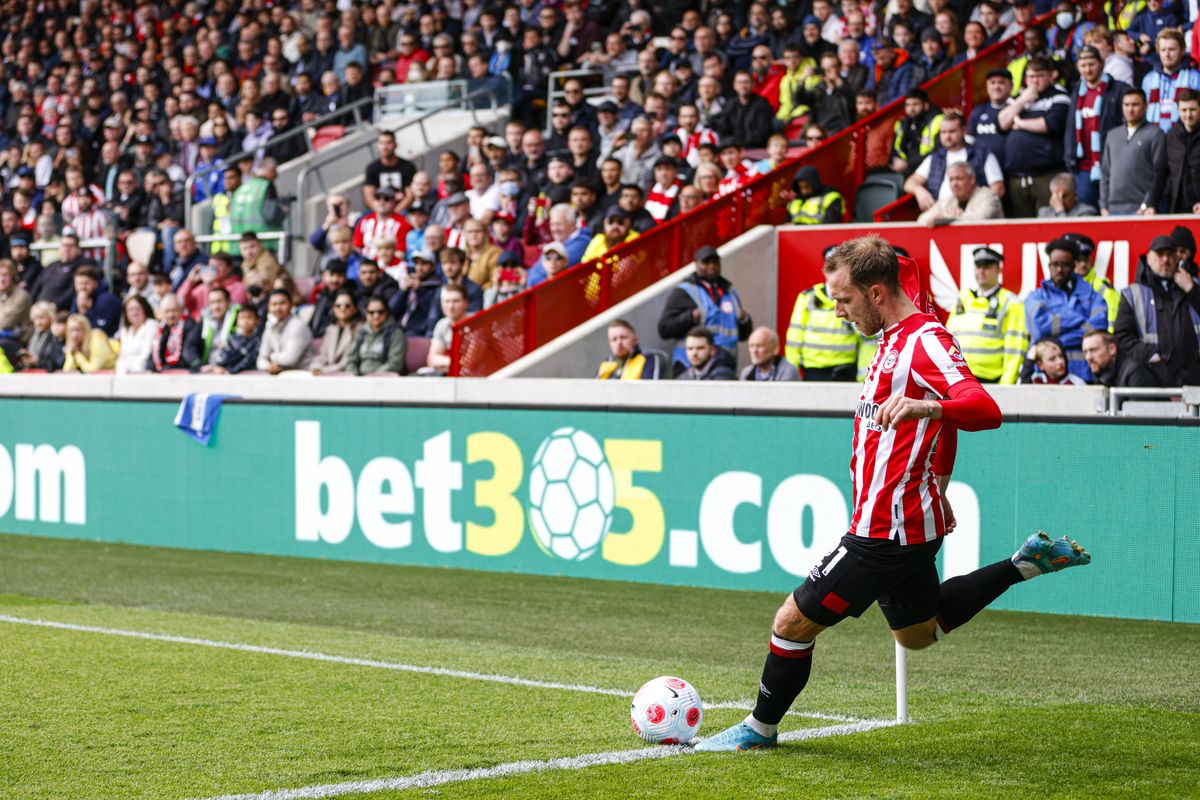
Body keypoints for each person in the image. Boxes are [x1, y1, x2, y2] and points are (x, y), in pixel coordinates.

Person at [695, 235, 1090, 753]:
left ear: (877, 293)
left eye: (844, 299)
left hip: (884, 531)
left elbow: (982, 409)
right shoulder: (888, 340)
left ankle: (759, 730)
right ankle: (1023, 565)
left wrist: (927, 409)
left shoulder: (925, 340)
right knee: (918, 634)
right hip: (910, 524)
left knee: (791, 623)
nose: (837, 311)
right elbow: (937, 431)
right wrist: (940, 485)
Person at [1114, 234, 1200, 387]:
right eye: (1160, 254)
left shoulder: (1193, 287)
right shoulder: (1133, 294)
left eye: (1170, 255)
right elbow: (1122, 335)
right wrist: (1151, 357)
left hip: (1194, 377)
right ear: (1148, 258)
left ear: (1177, 259)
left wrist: (1192, 290)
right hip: (1152, 377)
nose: (1165, 260)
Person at [1024, 237, 1110, 383]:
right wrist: (1081, 320)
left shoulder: (1093, 296)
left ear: (1073, 265)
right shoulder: (1035, 297)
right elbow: (1039, 330)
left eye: (1064, 265)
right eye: (1055, 264)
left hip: (1085, 375)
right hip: (1046, 379)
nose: (1059, 269)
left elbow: (1097, 331)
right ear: (1049, 266)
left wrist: (1054, 335)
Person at [658, 245, 752, 374]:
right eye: (706, 262)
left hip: (725, 366)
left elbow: (742, 334)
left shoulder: (730, 293)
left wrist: (744, 320)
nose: (712, 266)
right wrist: (690, 317)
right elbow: (664, 329)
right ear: (696, 264)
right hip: (689, 368)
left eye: (715, 262)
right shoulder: (683, 292)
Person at [999, 57, 1071, 218]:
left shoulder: (1059, 96)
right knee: (1020, 226)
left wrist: (1019, 122)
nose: (1034, 81)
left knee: (1048, 220)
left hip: (1045, 174)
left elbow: (1049, 125)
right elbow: (1002, 123)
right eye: (1031, 77)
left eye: (1039, 76)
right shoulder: (1018, 97)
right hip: (1017, 176)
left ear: (1051, 75)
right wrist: (1023, 100)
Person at [945, 247, 1028, 384]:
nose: (982, 271)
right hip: (957, 379)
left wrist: (1006, 386)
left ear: (998, 270)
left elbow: (1015, 350)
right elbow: (948, 339)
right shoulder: (963, 298)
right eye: (978, 266)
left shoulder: (1011, 302)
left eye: (987, 267)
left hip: (990, 382)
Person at [1063, 46, 1129, 209]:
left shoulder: (1118, 89)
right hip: (1083, 168)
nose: (1088, 69)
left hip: (1112, 166)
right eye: (1083, 65)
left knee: (1113, 213)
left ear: (1101, 63)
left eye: (1091, 64)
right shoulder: (1077, 91)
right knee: (1087, 215)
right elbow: (1070, 128)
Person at [1100, 89, 1166, 216]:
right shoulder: (1112, 135)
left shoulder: (1155, 134)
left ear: (1145, 106)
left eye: (1135, 104)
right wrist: (1103, 206)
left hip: (1141, 209)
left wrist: (1147, 204)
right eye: (1126, 105)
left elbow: (1160, 173)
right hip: (1112, 209)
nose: (1130, 109)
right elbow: (1105, 172)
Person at [1141, 29, 1200, 133]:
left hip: (1185, 139)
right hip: (1153, 138)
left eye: (1172, 49)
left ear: (1182, 50)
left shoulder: (1195, 78)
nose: (1167, 54)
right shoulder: (1148, 80)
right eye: (1163, 50)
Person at [916, 162, 1004, 227]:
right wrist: (939, 216)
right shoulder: (948, 200)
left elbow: (979, 219)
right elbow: (921, 220)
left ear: (972, 180)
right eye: (951, 180)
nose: (954, 184)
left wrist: (948, 217)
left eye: (959, 179)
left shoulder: (988, 196)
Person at [346, 296, 407, 376]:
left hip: (384, 379)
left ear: (386, 312)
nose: (376, 316)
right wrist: (355, 376)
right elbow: (351, 360)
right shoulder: (361, 332)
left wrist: (373, 376)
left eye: (380, 312)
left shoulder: (396, 333)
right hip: (360, 380)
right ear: (366, 313)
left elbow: (395, 363)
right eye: (371, 312)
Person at [257, 289, 313, 374]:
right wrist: (268, 366)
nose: (278, 308)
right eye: (274, 304)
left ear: (291, 305)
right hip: (280, 378)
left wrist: (270, 357)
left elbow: (289, 360)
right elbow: (260, 360)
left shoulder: (298, 325)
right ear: (268, 307)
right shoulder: (270, 326)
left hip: (302, 377)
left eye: (282, 303)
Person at [1163, 89, 1200, 215]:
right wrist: (1151, 202)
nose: (1188, 115)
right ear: (1178, 110)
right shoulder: (1171, 136)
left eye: (1193, 110)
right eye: (1184, 110)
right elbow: (1162, 172)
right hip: (1177, 208)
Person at [890, 90, 943, 177]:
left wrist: (908, 163)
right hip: (903, 166)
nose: (911, 109)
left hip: (926, 166)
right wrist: (896, 159)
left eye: (915, 104)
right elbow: (894, 148)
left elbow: (937, 150)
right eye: (908, 105)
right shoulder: (902, 123)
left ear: (925, 105)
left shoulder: (938, 120)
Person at [310, 290, 362, 374]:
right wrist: (315, 367)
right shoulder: (331, 329)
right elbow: (323, 355)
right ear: (333, 309)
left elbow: (348, 361)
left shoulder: (360, 330)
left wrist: (323, 371)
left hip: (347, 375)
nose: (342, 308)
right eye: (338, 305)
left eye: (347, 306)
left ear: (355, 309)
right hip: (327, 374)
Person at [1083, 329, 1158, 387]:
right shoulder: (1102, 374)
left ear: (1112, 349)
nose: (1088, 357)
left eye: (1094, 350)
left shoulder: (1135, 372)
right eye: (1085, 352)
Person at [596, 319, 666, 380]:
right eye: (614, 339)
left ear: (635, 340)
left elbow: (649, 389)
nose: (619, 342)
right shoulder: (606, 363)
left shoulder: (648, 359)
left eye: (623, 337)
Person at [363, 130, 417, 208]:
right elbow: (368, 196)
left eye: (388, 143)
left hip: (403, 210)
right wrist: (381, 211)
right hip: (379, 210)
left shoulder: (407, 167)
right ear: (377, 145)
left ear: (395, 145)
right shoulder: (372, 168)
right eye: (382, 143)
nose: (385, 147)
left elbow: (410, 195)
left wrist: (395, 213)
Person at [423, 284, 469, 375]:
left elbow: (469, 363)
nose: (451, 306)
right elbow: (432, 359)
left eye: (456, 301)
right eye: (447, 301)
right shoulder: (442, 324)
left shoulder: (475, 324)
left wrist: (445, 362)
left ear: (466, 303)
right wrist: (453, 363)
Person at [150, 294, 203, 373]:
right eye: (167, 311)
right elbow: (153, 353)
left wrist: (198, 365)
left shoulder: (190, 325)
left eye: (174, 310)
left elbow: (188, 350)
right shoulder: (161, 328)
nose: (171, 315)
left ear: (182, 310)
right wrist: (149, 368)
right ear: (161, 312)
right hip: (164, 371)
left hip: (183, 371)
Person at [208, 304, 263, 375]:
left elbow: (249, 359)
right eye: (242, 318)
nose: (245, 321)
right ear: (237, 321)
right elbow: (224, 355)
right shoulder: (232, 338)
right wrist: (219, 366)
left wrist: (232, 371)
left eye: (249, 317)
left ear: (257, 320)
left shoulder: (259, 339)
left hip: (250, 373)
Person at [71, 266, 122, 338]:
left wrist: (87, 311)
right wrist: (81, 311)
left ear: (96, 283)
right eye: (79, 283)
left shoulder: (107, 299)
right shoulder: (79, 297)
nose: (82, 287)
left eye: (86, 283)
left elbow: (99, 331)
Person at [114, 295, 158, 375]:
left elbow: (146, 355)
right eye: (130, 310)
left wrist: (129, 370)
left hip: (143, 373)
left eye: (137, 309)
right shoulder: (125, 331)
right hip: (124, 374)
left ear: (145, 309)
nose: (134, 312)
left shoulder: (152, 326)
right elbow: (121, 358)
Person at [19, 301, 63, 372]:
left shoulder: (55, 335)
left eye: (41, 318)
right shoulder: (33, 334)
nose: (38, 322)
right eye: (35, 319)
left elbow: (55, 363)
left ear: (50, 316)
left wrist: (37, 362)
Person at [0, 260, 31, 343]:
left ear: (13, 277)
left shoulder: (21, 295)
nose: (1, 279)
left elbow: (5, 323)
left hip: (19, 341)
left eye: (5, 275)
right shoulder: (2, 294)